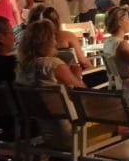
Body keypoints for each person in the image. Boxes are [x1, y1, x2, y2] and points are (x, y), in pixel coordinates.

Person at [16, 19, 85, 150]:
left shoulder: (22, 68)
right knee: (121, 126)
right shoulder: (52, 65)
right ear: (48, 41)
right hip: (73, 131)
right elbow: (83, 93)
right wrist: (77, 75)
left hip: (46, 132)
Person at [102, 6, 129, 91]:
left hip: (121, 83)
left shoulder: (107, 42)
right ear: (120, 22)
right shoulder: (122, 45)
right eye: (127, 19)